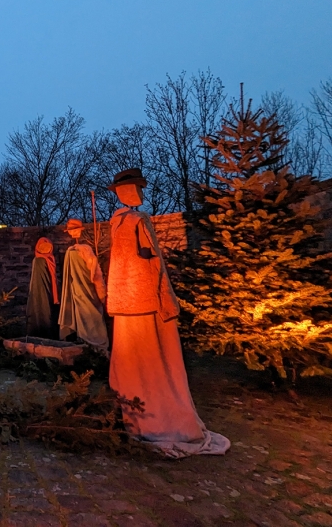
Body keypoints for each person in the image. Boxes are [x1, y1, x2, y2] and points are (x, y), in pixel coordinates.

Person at [107, 168, 230, 458]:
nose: (140, 194)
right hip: (146, 303)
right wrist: (167, 301)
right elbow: (156, 266)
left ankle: (136, 413)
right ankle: (162, 418)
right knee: (156, 359)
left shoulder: (115, 224)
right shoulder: (138, 221)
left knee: (131, 360)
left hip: (124, 304)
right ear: (128, 192)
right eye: (137, 189)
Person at [58, 219, 109, 354]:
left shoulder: (84, 250)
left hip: (87, 288)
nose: (74, 232)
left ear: (80, 230)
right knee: (83, 315)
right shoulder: (72, 251)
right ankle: (87, 345)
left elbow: (94, 272)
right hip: (78, 289)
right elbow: (95, 272)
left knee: (91, 314)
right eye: (71, 230)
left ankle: (96, 346)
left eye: (75, 230)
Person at [27, 237, 58, 339]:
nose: (46, 250)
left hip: (48, 290)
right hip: (40, 292)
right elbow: (38, 280)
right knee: (42, 309)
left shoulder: (49, 259)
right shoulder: (38, 261)